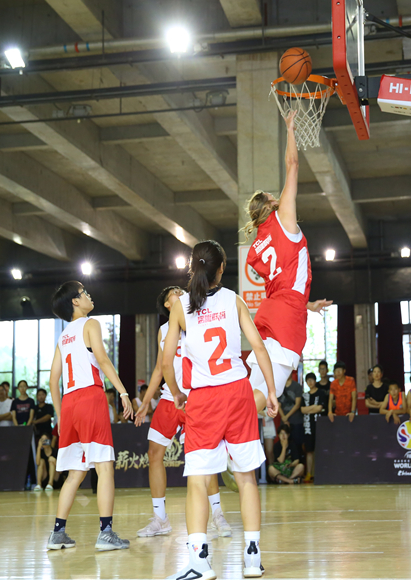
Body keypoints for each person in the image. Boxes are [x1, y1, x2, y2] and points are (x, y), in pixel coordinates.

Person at [160, 240, 278, 580]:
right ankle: (252, 559)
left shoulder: (180, 307)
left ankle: (200, 561)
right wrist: (271, 391)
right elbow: (259, 347)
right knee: (246, 478)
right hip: (238, 394)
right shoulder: (234, 300)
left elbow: (166, 362)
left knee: (198, 480)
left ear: (192, 268)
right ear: (222, 268)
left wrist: (177, 393)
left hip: (204, 400)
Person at [244, 110, 332, 416]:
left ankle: (224, 426)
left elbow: (281, 282)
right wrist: (291, 130)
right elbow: (292, 164)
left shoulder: (256, 246)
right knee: (274, 391)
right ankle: (223, 428)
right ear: (271, 204)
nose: (279, 197)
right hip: (286, 315)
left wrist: (309, 305)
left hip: (269, 311)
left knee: (256, 385)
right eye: (274, 196)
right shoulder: (284, 219)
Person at [134, 285, 232, 540]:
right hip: (170, 397)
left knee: (203, 458)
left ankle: (217, 514)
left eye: (181, 289)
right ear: (167, 304)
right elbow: (159, 369)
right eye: (175, 292)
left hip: (195, 397)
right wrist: (146, 401)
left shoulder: (198, 318)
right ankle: (160, 519)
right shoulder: (163, 330)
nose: (181, 292)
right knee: (154, 453)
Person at [46, 281, 134, 551]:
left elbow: (52, 381)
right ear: (75, 301)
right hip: (90, 398)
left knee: (75, 473)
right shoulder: (90, 323)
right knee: (105, 467)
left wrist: (60, 416)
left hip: (69, 404)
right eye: (84, 293)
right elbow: (103, 360)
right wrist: (123, 392)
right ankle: (106, 533)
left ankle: (57, 533)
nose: (89, 295)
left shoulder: (63, 336)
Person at [300, 372, 326, 482]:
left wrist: (309, 409)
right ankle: (309, 473)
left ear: (315, 381)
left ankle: (319, 474)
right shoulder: (305, 395)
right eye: (308, 381)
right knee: (309, 450)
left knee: (319, 450)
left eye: (312, 380)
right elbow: (302, 410)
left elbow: (320, 408)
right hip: (308, 426)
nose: (310, 382)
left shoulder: (321, 393)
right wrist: (313, 407)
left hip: (319, 425)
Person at [278, 373, 304, 454]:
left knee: (297, 444)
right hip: (284, 421)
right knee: (284, 444)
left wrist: (286, 417)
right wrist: (283, 417)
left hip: (296, 421)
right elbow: (278, 404)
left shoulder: (297, 386)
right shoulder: (280, 387)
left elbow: (297, 404)